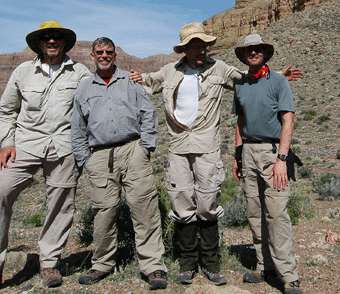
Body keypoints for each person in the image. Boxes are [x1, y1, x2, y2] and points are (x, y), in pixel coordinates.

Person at [129, 22, 301, 286]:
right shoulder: (170, 71)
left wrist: (277, 75)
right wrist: (132, 77)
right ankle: (187, 265)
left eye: (204, 46)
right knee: (181, 203)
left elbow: (248, 78)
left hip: (208, 146)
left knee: (208, 204)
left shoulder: (219, 68)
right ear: (184, 49)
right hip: (178, 146)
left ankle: (211, 264)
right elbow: (147, 82)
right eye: (195, 46)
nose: (201, 50)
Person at [0, 21, 91, 294]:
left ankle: (49, 263)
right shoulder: (23, 72)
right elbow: (4, 112)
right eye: (46, 38)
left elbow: (95, 103)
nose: (51, 42)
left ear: (64, 42)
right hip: (25, 145)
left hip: (64, 147)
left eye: (56, 38)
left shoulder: (79, 73)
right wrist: (7, 143)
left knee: (61, 203)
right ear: (39, 43)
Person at [71, 37, 168, 290]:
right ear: (92, 56)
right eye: (99, 52)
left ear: (115, 56)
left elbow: (148, 113)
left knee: (143, 207)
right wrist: (86, 160)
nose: (104, 55)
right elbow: (77, 128)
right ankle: (102, 264)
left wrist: (146, 147)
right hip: (99, 156)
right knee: (104, 211)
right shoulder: (83, 88)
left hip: (133, 149)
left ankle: (153, 265)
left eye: (109, 52)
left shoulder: (130, 81)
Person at [232, 34, 302, 294]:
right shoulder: (241, 83)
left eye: (258, 49)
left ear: (264, 52)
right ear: (244, 55)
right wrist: (237, 156)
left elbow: (288, 119)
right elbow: (240, 122)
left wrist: (282, 159)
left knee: (276, 214)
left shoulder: (279, 81)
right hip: (248, 152)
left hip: (272, 154)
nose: (253, 53)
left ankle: (289, 275)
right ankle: (265, 266)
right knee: (254, 213)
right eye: (249, 50)